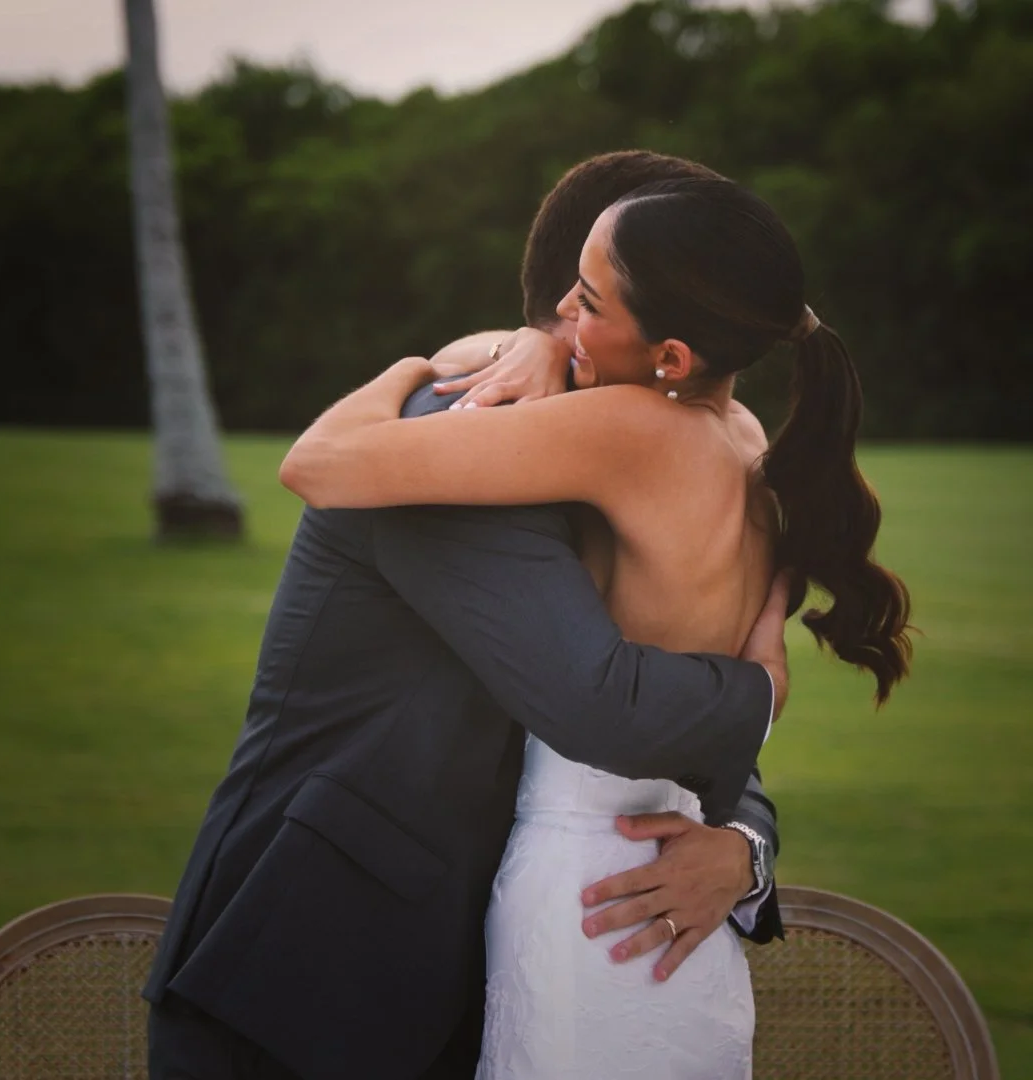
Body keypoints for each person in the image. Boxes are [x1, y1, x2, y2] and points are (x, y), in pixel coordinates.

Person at [144, 153, 788, 1080]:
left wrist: (744, 849)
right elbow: (603, 703)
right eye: (583, 295)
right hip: (304, 985)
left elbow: (676, 713)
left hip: (489, 986)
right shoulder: (453, 430)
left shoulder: (613, 454)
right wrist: (763, 687)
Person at [279, 175, 913, 1078]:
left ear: (671, 357)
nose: (564, 318)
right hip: (681, 904)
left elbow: (320, 463)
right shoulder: (748, 448)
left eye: (589, 302)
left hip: (591, 900)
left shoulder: (627, 432)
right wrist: (539, 343)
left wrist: (408, 369)